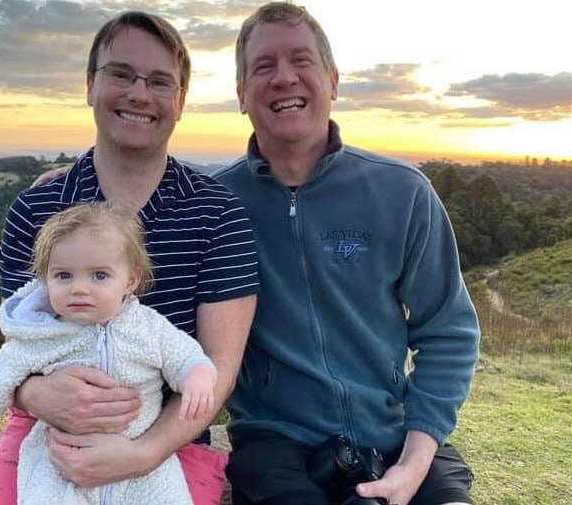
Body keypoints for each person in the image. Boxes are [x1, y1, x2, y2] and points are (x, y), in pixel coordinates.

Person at [0, 11, 258, 505]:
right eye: (121, 74)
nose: (139, 93)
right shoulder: (37, 209)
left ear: (180, 101)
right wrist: (38, 396)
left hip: (171, 444)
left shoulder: (218, 214)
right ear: (90, 85)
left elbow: (218, 368)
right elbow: (19, 343)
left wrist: (144, 452)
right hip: (46, 442)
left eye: (159, 81)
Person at [214, 3, 479, 505]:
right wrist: (78, 183)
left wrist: (412, 463)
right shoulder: (214, 205)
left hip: (395, 433)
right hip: (274, 444)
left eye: (302, 61)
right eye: (263, 66)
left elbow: (447, 330)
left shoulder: (402, 192)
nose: (284, 77)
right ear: (241, 94)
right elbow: (126, 232)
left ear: (333, 81)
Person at [0, 202, 218, 504]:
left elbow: (184, 356)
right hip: (61, 464)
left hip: (144, 468)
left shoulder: (148, 328)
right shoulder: (40, 336)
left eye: (99, 276)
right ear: (44, 280)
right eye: (64, 276)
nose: (80, 288)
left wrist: (197, 375)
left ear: (130, 280)